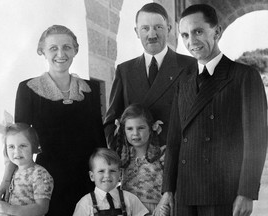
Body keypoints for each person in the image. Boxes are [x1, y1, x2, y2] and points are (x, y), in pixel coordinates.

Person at [160, 4, 268, 216]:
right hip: (184, 193)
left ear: (216, 32)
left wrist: (246, 192)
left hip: (223, 193)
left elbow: (256, 140)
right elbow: (174, 141)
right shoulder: (183, 82)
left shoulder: (244, 77)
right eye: (185, 35)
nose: (192, 41)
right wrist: (167, 190)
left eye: (198, 31)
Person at [0, 25, 107, 216]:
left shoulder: (91, 89)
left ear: (75, 50)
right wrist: (6, 182)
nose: (61, 53)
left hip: (86, 177)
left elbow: (99, 139)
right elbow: (17, 141)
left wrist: (106, 178)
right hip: (46, 181)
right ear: (43, 52)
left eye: (67, 47)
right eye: (53, 48)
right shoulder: (28, 89)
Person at [104, 2, 196, 149]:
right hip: (136, 163)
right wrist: (122, 155)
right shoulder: (124, 70)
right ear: (136, 32)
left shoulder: (190, 66)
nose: (152, 35)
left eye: (158, 27)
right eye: (145, 28)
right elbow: (111, 121)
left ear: (169, 29)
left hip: (177, 159)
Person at [0, 121, 53, 216]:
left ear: (33, 147)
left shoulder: (40, 174)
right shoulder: (14, 172)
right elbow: (16, 200)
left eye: (22, 146)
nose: (17, 151)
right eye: (11, 147)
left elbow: (42, 208)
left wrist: (9, 209)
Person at [114, 104, 168, 215]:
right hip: (128, 210)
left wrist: (163, 205)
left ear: (151, 128)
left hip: (155, 209)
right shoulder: (122, 157)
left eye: (141, 128)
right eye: (130, 128)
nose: (135, 133)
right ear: (123, 130)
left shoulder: (162, 154)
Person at [73, 147, 149, 216]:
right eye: (101, 171)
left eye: (112, 171)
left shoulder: (130, 199)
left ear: (120, 174)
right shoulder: (85, 203)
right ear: (92, 176)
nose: (107, 175)